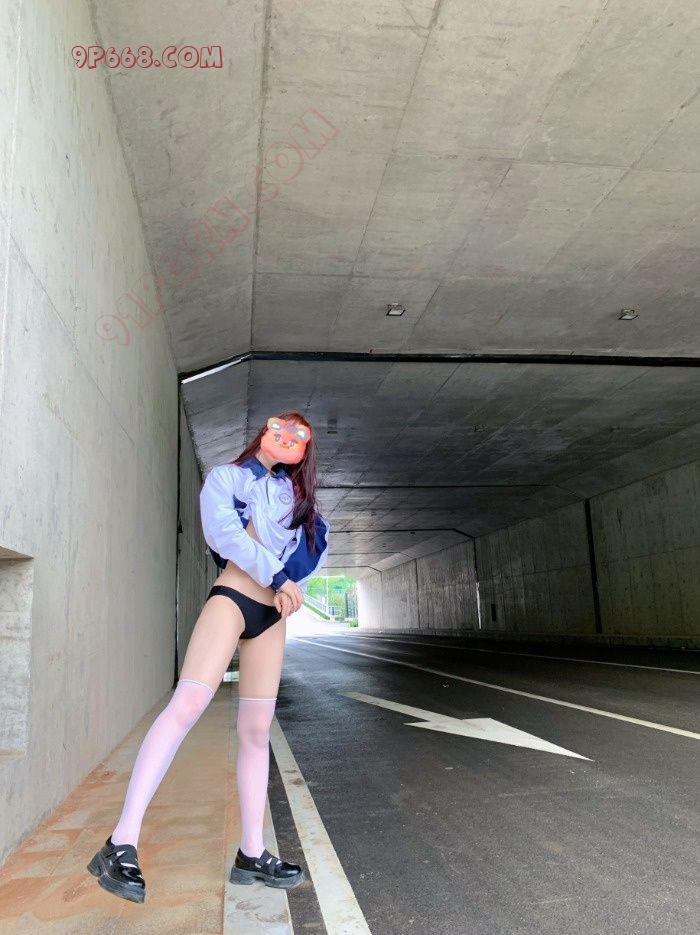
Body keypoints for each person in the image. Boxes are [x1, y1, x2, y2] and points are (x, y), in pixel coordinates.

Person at [87, 412, 331, 903]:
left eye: (299, 436)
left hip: (272, 617)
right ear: (264, 432)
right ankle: (120, 842)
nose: (288, 438)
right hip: (233, 599)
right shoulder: (228, 477)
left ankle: (251, 853)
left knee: (256, 732)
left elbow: (312, 552)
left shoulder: (299, 499)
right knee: (186, 706)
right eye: (281, 429)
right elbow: (225, 535)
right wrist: (278, 575)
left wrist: (291, 582)